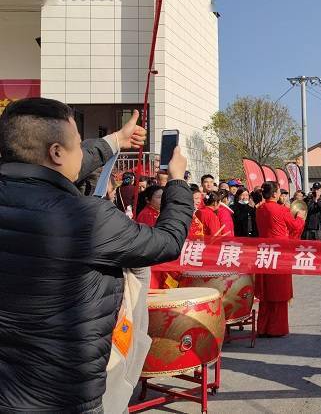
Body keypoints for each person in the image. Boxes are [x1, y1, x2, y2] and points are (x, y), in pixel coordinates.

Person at [0, 97, 192, 413]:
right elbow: (167, 241)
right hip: (64, 396)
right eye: (78, 143)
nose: (83, 151)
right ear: (57, 152)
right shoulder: (87, 218)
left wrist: (115, 141)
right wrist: (177, 184)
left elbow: (55, 168)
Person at [255, 181, 306, 337]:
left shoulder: (260, 209)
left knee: (266, 293)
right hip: (279, 254)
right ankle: (276, 329)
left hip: (264, 253)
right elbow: (295, 227)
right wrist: (301, 217)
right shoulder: (281, 209)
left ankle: (263, 327)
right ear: (275, 194)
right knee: (278, 292)